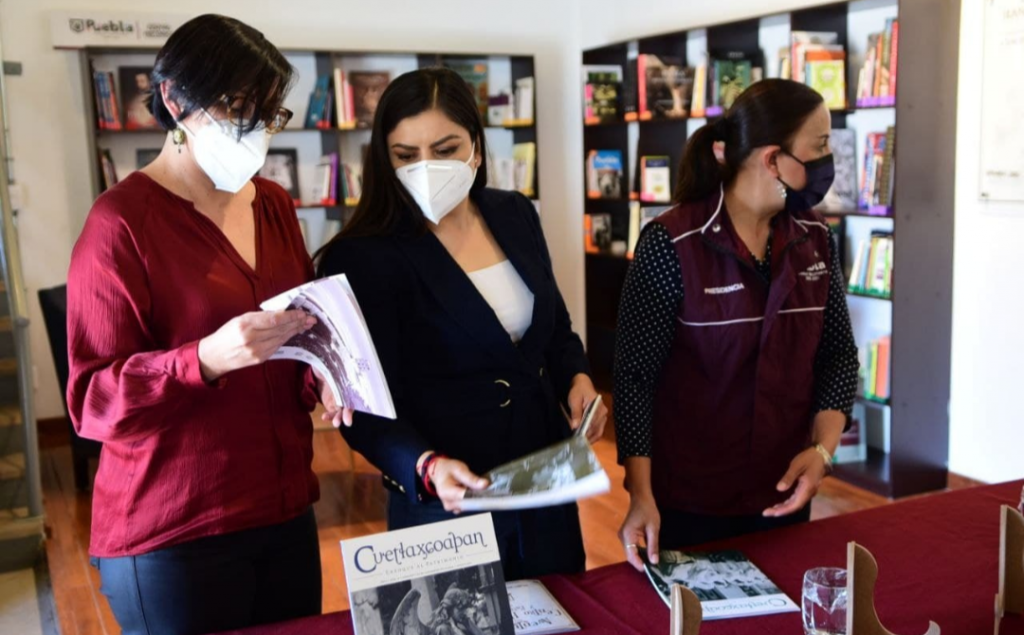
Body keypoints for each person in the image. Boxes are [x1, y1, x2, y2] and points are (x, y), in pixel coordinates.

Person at [67, 15, 348, 635]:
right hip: (175, 531)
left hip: (284, 510)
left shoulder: (272, 204)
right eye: (237, 107)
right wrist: (203, 361)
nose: (255, 129)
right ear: (174, 99)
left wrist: (326, 376)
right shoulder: (120, 224)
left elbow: (296, 335)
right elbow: (92, 401)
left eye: (268, 114)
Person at [317, 67, 607, 579]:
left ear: (475, 145)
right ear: (385, 159)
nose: (427, 167)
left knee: (561, 607)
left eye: (445, 149)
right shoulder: (363, 256)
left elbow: (555, 327)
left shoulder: (514, 213)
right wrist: (424, 465)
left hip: (544, 482)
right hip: (446, 498)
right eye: (406, 155)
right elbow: (362, 407)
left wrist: (577, 377)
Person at [614, 79, 859, 570]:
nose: (829, 160)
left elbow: (838, 355)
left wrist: (822, 451)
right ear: (773, 160)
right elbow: (634, 378)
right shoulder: (672, 243)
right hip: (691, 501)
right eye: (820, 146)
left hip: (784, 493)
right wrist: (640, 494)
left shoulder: (816, 237)